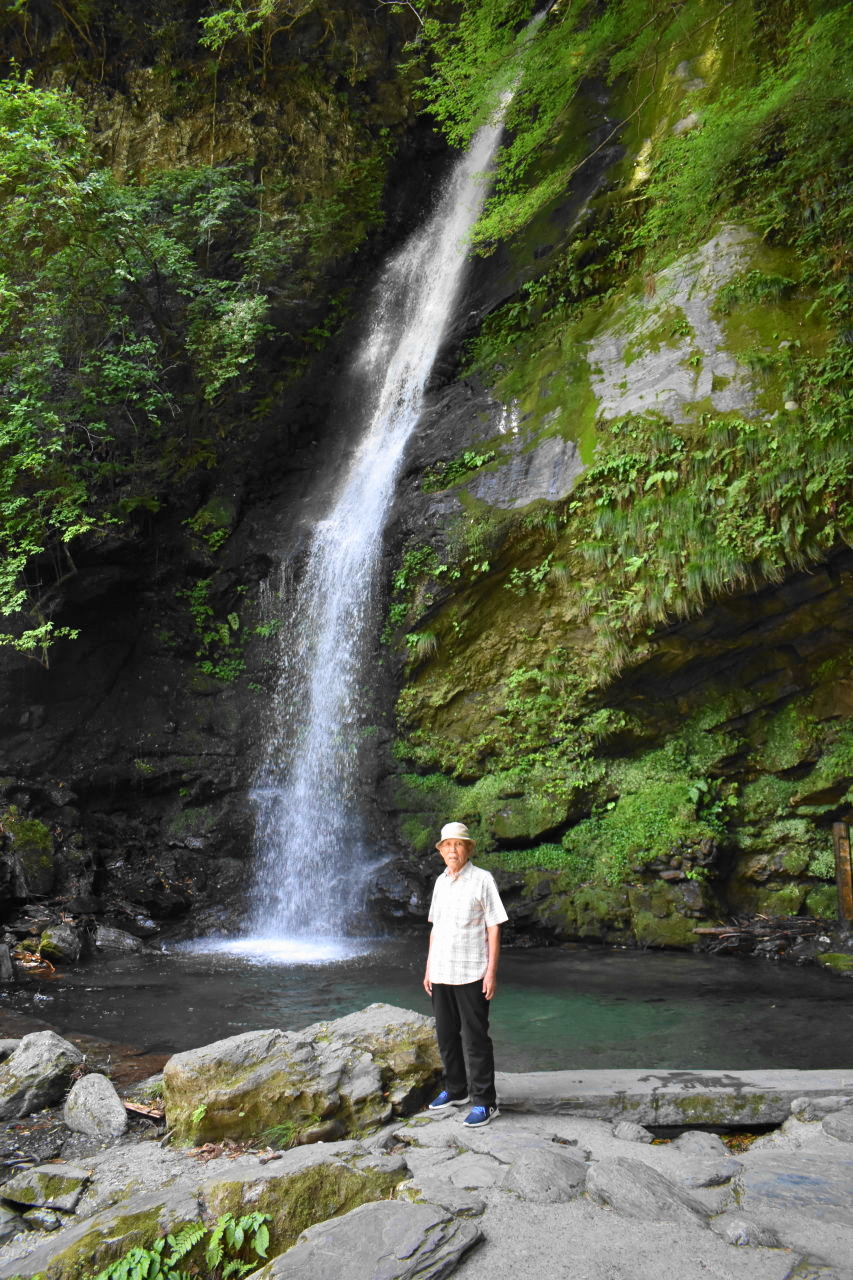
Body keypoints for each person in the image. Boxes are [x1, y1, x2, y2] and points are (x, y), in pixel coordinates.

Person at [423, 820, 508, 1127]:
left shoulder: (482, 879)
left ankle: (485, 1102)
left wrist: (491, 972)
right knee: (446, 1035)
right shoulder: (440, 882)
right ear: (441, 851)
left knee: (475, 1039)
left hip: (472, 971)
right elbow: (436, 928)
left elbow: (494, 926)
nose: (453, 850)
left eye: (458, 844)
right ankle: (456, 1090)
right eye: (447, 845)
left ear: (468, 849)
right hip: (441, 970)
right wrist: (428, 967)